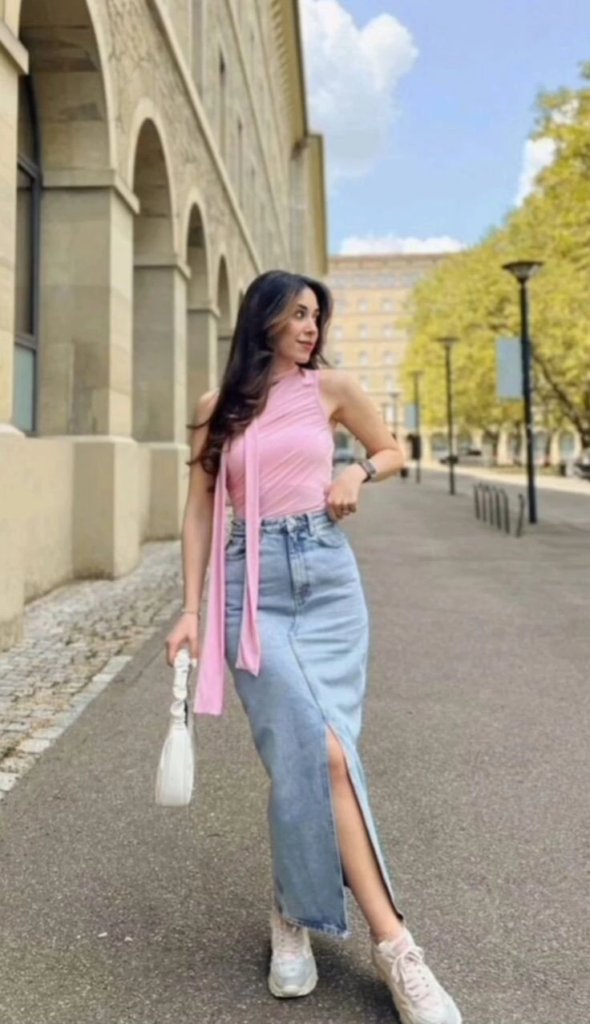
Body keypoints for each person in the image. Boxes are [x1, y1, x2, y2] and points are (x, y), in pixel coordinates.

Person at [166, 270, 461, 1024]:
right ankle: (396, 946)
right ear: (262, 318)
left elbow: (391, 448)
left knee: (321, 756)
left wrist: (357, 469)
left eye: (316, 316)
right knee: (319, 753)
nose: (311, 327)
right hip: (250, 589)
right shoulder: (216, 410)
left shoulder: (331, 388)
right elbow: (201, 510)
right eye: (298, 314)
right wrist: (191, 609)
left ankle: (290, 914)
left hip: (326, 582)